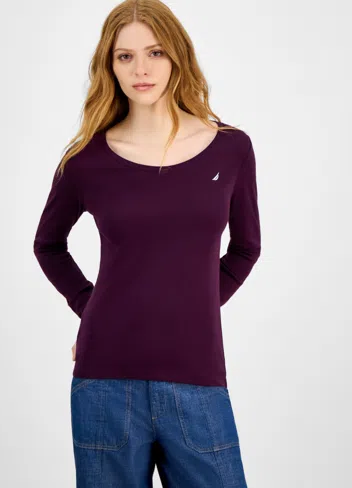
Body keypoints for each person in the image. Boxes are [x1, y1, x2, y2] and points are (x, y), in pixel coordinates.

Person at [33, 1, 261, 486]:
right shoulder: (86, 160)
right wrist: (92, 310)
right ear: (109, 66)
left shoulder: (231, 148)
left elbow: (246, 249)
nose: (141, 69)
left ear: (177, 56)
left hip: (197, 378)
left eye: (155, 52)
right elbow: (48, 245)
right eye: (125, 56)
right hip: (104, 382)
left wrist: (192, 309)